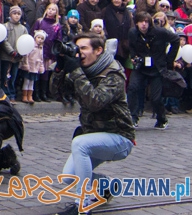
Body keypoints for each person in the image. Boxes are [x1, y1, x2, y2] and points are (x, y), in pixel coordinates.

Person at [51, 33, 135, 215]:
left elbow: (95, 101)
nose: (78, 53)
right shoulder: (82, 71)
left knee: (79, 144)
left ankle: (82, 204)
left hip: (120, 138)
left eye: (83, 48)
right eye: (77, 48)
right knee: (68, 177)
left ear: (98, 51)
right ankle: (107, 186)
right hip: (94, 135)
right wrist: (60, 70)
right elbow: (56, 93)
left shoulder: (113, 73)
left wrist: (76, 73)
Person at [127, 11, 180, 129]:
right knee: (133, 88)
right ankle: (133, 117)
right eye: (141, 22)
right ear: (136, 23)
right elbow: (131, 46)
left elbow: (176, 40)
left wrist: (168, 60)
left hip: (157, 68)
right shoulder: (133, 33)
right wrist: (134, 56)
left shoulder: (159, 32)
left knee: (156, 97)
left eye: (146, 22)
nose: (143, 25)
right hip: (141, 67)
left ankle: (161, 118)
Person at [0, 5, 27, 101]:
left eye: (19, 14)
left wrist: (22, 52)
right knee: (5, 76)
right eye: (15, 13)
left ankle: (12, 93)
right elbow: (4, 40)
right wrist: (11, 51)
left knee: (13, 76)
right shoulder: (5, 26)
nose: (17, 16)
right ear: (10, 14)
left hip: (17, 57)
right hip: (6, 56)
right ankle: (5, 93)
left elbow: (26, 40)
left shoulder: (23, 28)